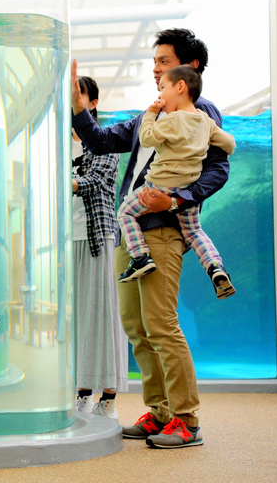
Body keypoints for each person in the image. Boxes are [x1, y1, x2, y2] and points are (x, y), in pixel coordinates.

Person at [72, 28, 229, 449]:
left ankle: (186, 419)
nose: (155, 69)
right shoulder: (153, 112)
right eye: (154, 62)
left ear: (189, 68)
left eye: (163, 61)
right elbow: (102, 139)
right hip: (132, 229)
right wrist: (77, 108)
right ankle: (160, 411)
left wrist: (176, 198)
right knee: (136, 326)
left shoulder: (201, 113)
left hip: (162, 229)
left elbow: (218, 169)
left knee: (161, 324)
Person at [116, 65, 236, 301]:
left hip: (157, 188)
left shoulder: (172, 120)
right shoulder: (206, 121)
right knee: (194, 231)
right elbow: (230, 144)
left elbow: (147, 137)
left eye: (163, 88)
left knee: (125, 214)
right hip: (186, 192)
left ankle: (140, 256)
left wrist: (151, 112)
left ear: (180, 87)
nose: (160, 94)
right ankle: (215, 267)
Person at [71, 76, 129, 419]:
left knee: (105, 315)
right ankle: (82, 391)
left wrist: (68, 182)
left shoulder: (104, 141)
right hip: (70, 241)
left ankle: (108, 397)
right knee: (80, 319)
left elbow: (96, 181)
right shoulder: (60, 143)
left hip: (101, 237)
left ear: (92, 103)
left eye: (79, 97)